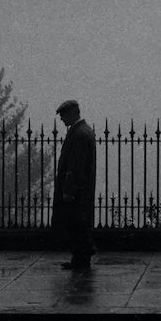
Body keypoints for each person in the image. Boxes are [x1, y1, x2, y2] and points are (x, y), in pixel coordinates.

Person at [53, 99, 96, 270]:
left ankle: (81, 258)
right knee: (78, 224)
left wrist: (69, 190)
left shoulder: (79, 134)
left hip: (77, 190)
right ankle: (81, 257)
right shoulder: (82, 131)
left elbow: (75, 166)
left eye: (64, 115)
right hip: (82, 189)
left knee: (76, 223)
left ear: (72, 113)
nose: (62, 119)